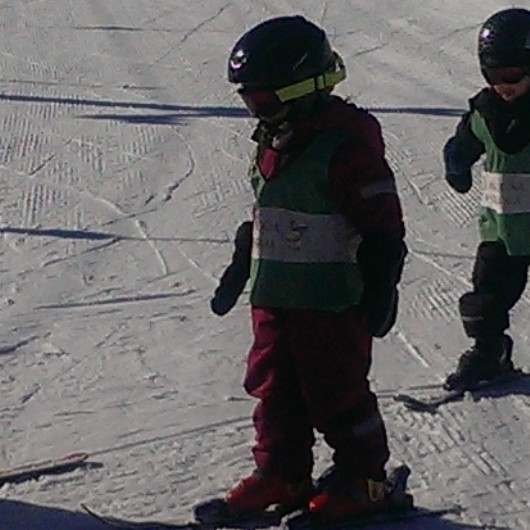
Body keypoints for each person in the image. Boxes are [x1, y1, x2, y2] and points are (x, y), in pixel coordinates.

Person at [210, 15, 407, 520]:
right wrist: (242, 258)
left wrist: (381, 281)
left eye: (265, 101)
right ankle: (283, 472)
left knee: (336, 390)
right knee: (274, 388)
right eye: (248, 101)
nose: (256, 112)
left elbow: (382, 223)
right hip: (275, 295)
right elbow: (272, 208)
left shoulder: (344, 147)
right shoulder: (273, 140)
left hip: (330, 299)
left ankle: (365, 481)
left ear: (305, 90)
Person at [442, 7, 530, 391]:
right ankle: (489, 352)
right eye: (494, 76)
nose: (503, 85)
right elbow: (464, 142)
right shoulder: (484, 111)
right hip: (502, 228)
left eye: (512, 75)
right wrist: (457, 162)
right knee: (487, 294)